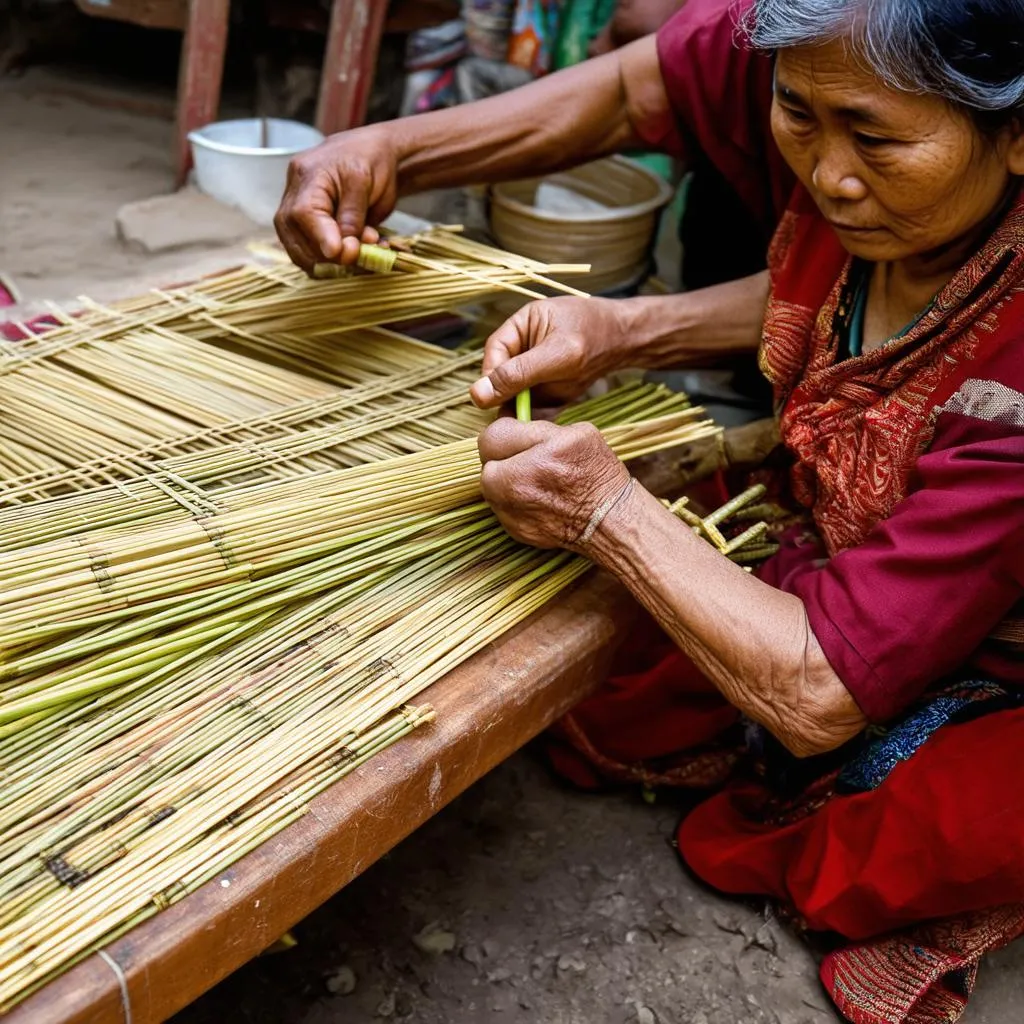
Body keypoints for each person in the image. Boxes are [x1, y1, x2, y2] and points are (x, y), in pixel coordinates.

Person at [468, 1, 1024, 1022]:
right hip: (862, 558)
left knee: (931, 831)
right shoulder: (883, 195)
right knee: (603, 652)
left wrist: (606, 510)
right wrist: (620, 329)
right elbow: (812, 290)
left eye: (875, 137)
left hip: (1001, 648)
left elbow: (817, 694)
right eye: (798, 115)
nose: (828, 174)